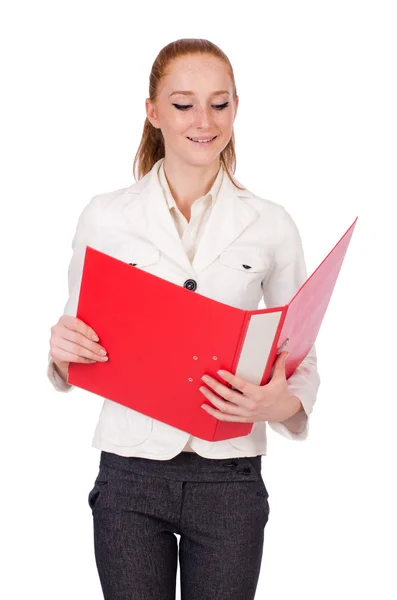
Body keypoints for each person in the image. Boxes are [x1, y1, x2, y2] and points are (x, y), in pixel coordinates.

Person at [47, 38, 320, 600]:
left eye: (219, 104)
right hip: (130, 473)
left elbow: (301, 356)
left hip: (231, 477)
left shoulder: (271, 223)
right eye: (183, 104)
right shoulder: (106, 216)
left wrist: (282, 403)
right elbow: (77, 342)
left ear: (236, 109)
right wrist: (60, 348)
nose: (204, 121)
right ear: (152, 112)